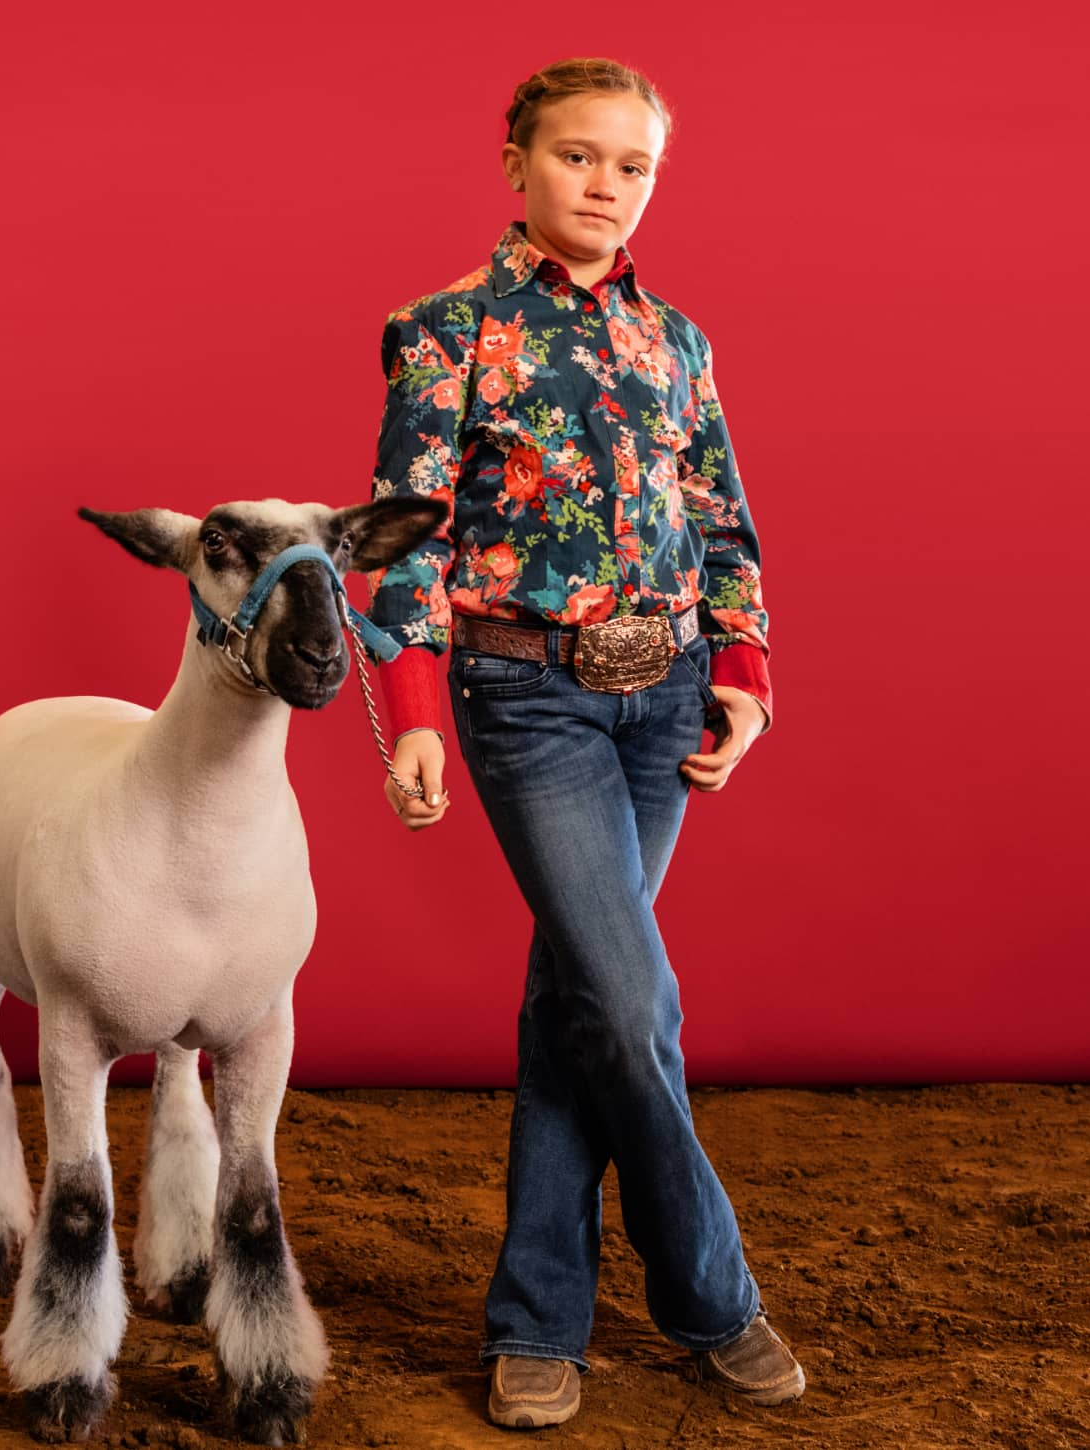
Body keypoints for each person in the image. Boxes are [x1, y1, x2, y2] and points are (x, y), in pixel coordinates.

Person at [363, 56, 807, 1430]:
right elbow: (402, 535)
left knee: (575, 1009)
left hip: (665, 698)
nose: (605, 186)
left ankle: (534, 1321)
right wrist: (415, 713)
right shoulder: (442, 331)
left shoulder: (676, 340)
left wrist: (741, 673)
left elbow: (721, 517)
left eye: (632, 166)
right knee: (627, 1005)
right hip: (529, 701)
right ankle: (713, 1296)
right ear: (515, 163)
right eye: (577, 157)